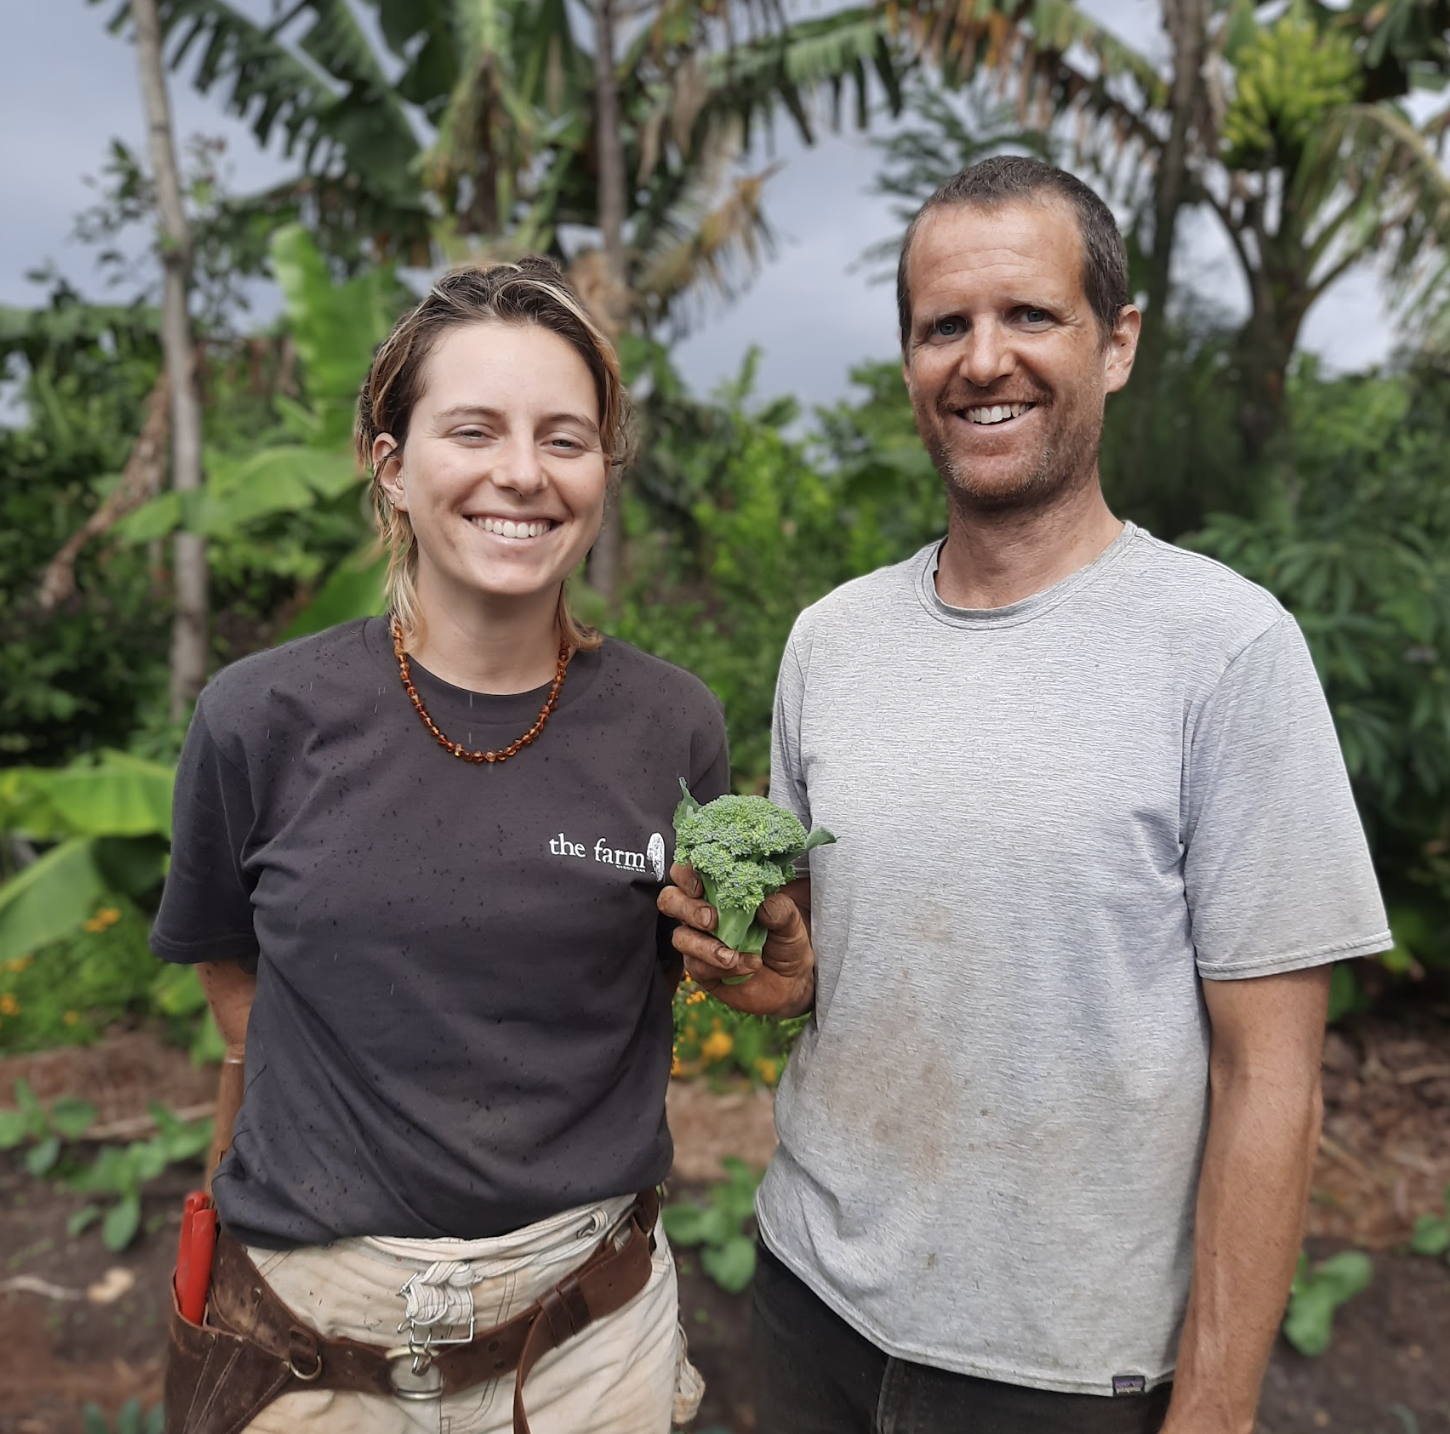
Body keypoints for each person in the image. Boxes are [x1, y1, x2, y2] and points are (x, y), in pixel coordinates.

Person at [659, 156, 1391, 1434]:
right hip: (808, 1299)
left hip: (1066, 1373)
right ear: (908, 361)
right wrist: (784, 974)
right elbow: (845, 956)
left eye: (1029, 315)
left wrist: (1215, 1413)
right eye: (943, 325)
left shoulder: (1225, 650)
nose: (982, 359)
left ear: (1117, 342)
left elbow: (1271, 1078)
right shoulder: (831, 641)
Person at [152, 257, 727, 1434]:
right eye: (473, 430)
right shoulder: (259, 718)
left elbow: (685, 968)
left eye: (565, 439)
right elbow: (231, 970)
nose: (523, 471)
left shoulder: (671, 727)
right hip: (310, 1344)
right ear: (392, 465)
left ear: (601, 472)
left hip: (586, 1345)